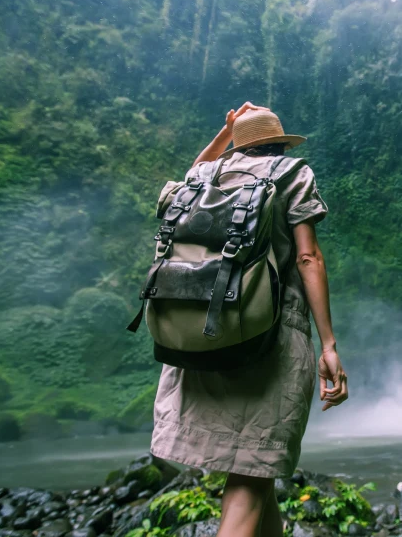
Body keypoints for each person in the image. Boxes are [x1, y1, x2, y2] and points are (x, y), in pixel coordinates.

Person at [149, 102, 349, 537]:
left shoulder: (206, 177)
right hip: (268, 341)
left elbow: (189, 179)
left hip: (203, 337)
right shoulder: (292, 173)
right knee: (252, 474)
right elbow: (309, 257)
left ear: (237, 145)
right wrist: (329, 345)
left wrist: (225, 133)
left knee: (256, 469)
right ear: (279, 143)